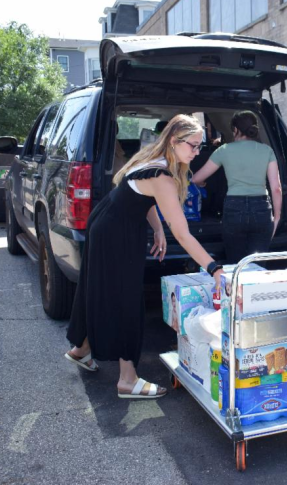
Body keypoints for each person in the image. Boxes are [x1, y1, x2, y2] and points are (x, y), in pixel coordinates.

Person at [64, 114, 225, 399]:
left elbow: (141, 196)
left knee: (100, 289)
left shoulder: (151, 159)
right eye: (194, 145)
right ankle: (127, 379)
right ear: (174, 142)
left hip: (108, 224)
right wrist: (213, 267)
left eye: (201, 146)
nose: (197, 152)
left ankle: (81, 350)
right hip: (117, 233)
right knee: (125, 299)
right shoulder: (162, 175)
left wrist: (157, 229)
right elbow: (184, 234)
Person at [191, 111, 282, 263]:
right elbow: (276, 188)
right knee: (258, 266)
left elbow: (196, 178)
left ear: (235, 130)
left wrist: (202, 183)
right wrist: (277, 217)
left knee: (235, 263)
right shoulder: (267, 151)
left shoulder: (224, 150)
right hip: (262, 209)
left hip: (234, 208)